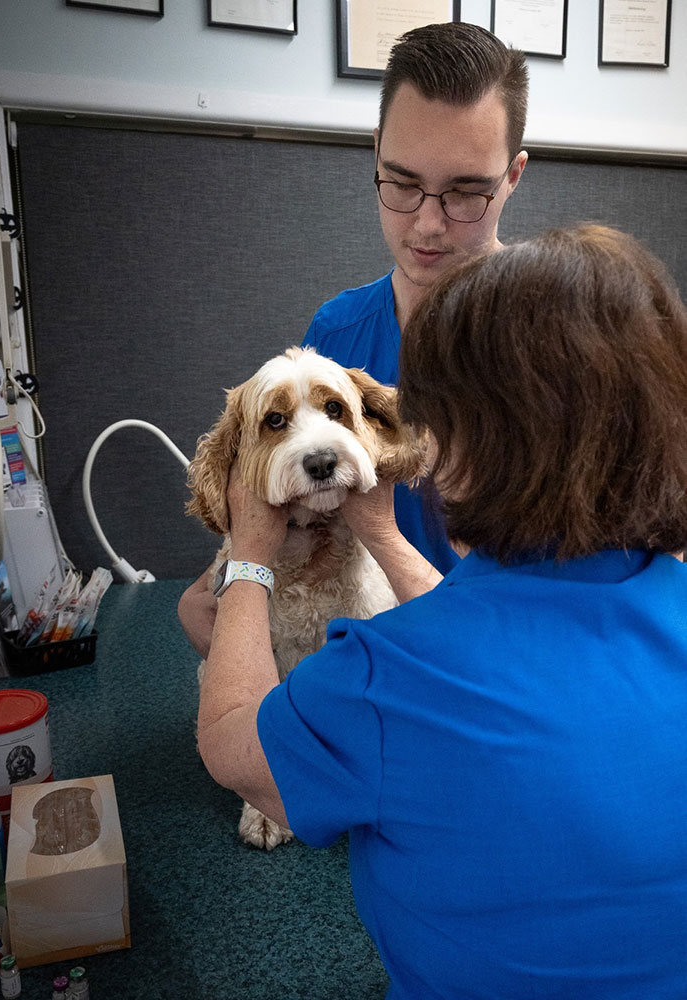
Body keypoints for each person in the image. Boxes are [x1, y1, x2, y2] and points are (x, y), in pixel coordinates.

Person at [197, 224, 687, 999]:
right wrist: (384, 531)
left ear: (455, 453)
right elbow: (495, 646)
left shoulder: (384, 675)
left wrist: (247, 557)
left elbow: (232, 746)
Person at [178, 22, 529, 655]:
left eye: (465, 192)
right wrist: (225, 584)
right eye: (401, 182)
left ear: (512, 176)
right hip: (363, 660)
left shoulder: (560, 351)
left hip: (496, 675)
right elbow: (294, 521)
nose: (427, 223)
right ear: (375, 155)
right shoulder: (337, 335)